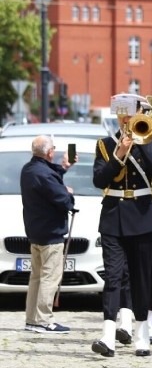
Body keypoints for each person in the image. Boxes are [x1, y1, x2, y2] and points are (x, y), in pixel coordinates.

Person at [92, 93, 152, 357]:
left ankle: (142, 333)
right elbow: (99, 180)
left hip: (142, 216)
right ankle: (108, 335)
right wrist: (120, 153)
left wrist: (142, 143)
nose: (127, 118)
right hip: (113, 216)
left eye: (131, 112)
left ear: (140, 112)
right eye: (122, 112)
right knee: (113, 277)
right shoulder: (105, 144)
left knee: (141, 277)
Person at [21, 135, 75, 333]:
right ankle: (44, 320)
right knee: (49, 277)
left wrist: (63, 168)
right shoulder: (44, 173)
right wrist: (68, 192)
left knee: (36, 277)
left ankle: (31, 319)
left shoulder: (29, 169)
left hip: (35, 232)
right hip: (50, 233)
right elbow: (63, 199)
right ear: (50, 152)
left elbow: (48, 180)